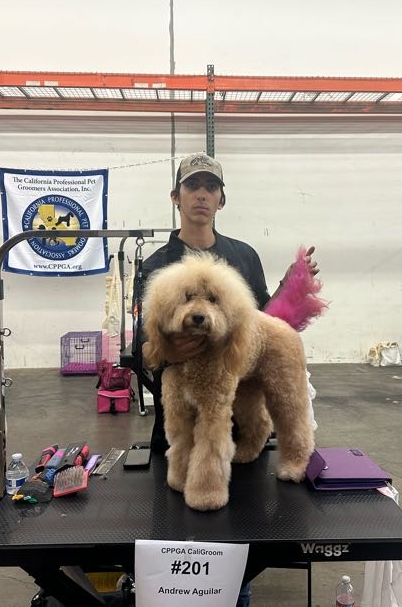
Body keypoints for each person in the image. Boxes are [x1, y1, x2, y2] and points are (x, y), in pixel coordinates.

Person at [134, 153, 318, 607]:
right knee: (176, 562)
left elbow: (257, 318)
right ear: (176, 197)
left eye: (210, 188)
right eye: (192, 187)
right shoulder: (156, 263)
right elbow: (136, 349)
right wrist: (166, 353)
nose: (201, 194)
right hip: (172, 410)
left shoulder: (242, 255)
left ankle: (285, 454)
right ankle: (187, 473)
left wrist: (292, 286)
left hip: (240, 383)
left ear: (221, 199)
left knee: (281, 405)